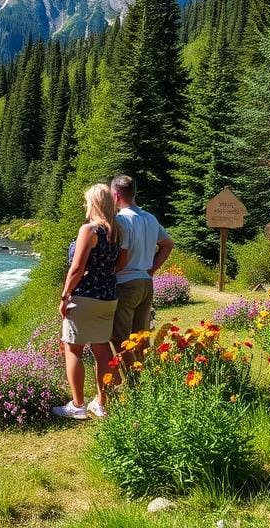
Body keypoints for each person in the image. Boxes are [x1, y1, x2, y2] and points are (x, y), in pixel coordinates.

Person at [52, 183, 127, 420]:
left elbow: (76, 268)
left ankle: (78, 405)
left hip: (85, 296)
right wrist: (104, 276)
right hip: (108, 296)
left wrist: (65, 296)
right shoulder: (117, 231)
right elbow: (122, 263)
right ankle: (101, 403)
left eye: (87, 201)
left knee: (72, 348)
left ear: (93, 203)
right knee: (102, 348)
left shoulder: (90, 230)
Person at [110, 174, 174, 363]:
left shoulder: (121, 219)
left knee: (121, 339)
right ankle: (145, 382)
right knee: (141, 338)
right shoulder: (150, 218)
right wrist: (152, 270)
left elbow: (123, 254)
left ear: (115, 196)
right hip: (146, 282)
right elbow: (168, 244)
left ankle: (132, 385)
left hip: (125, 282)